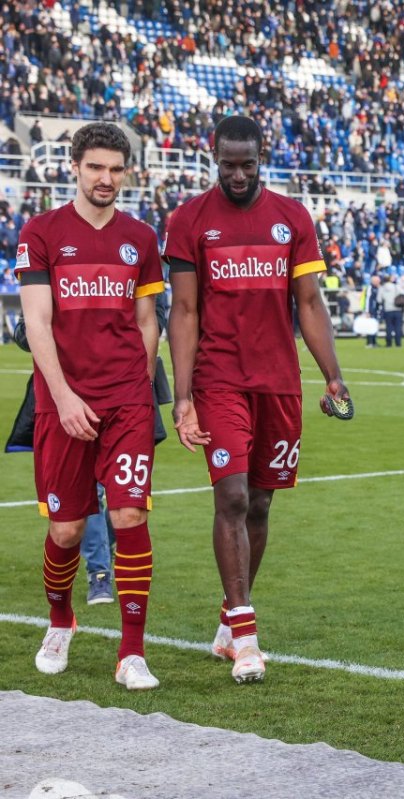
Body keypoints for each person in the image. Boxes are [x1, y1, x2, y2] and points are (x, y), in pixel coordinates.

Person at [165, 115, 350, 684]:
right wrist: (183, 396)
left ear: (261, 156)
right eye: (229, 165)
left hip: (279, 382)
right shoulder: (188, 220)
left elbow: (309, 303)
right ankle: (246, 637)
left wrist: (333, 376)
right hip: (219, 379)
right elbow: (185, 311)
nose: (239, 175)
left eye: (248, 164)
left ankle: (228, 621)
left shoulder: (292, 217)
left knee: (262, 505)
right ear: (214, 157)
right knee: (233, 497)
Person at [17, 122, 164, 690]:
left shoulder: (141, 238)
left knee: (129, 516)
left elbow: (147, 321)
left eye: (116, 169)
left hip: (126, 400)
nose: (106, 178)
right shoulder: (41, 232)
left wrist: (137, 388)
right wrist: (63, 397)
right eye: (96, 167)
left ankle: (132, 653)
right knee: (66, 529)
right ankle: (61, 620)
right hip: (63, 403)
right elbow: (37, 321)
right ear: (74, 167)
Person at [380, 274, 404, 347]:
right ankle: (398, 343)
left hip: (388, 309)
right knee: (398, 327)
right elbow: (403, 293)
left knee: (389, 327)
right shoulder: (396, 286)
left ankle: (389, 343)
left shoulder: (382, 288)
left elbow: (379, 299)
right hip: (397, 308)